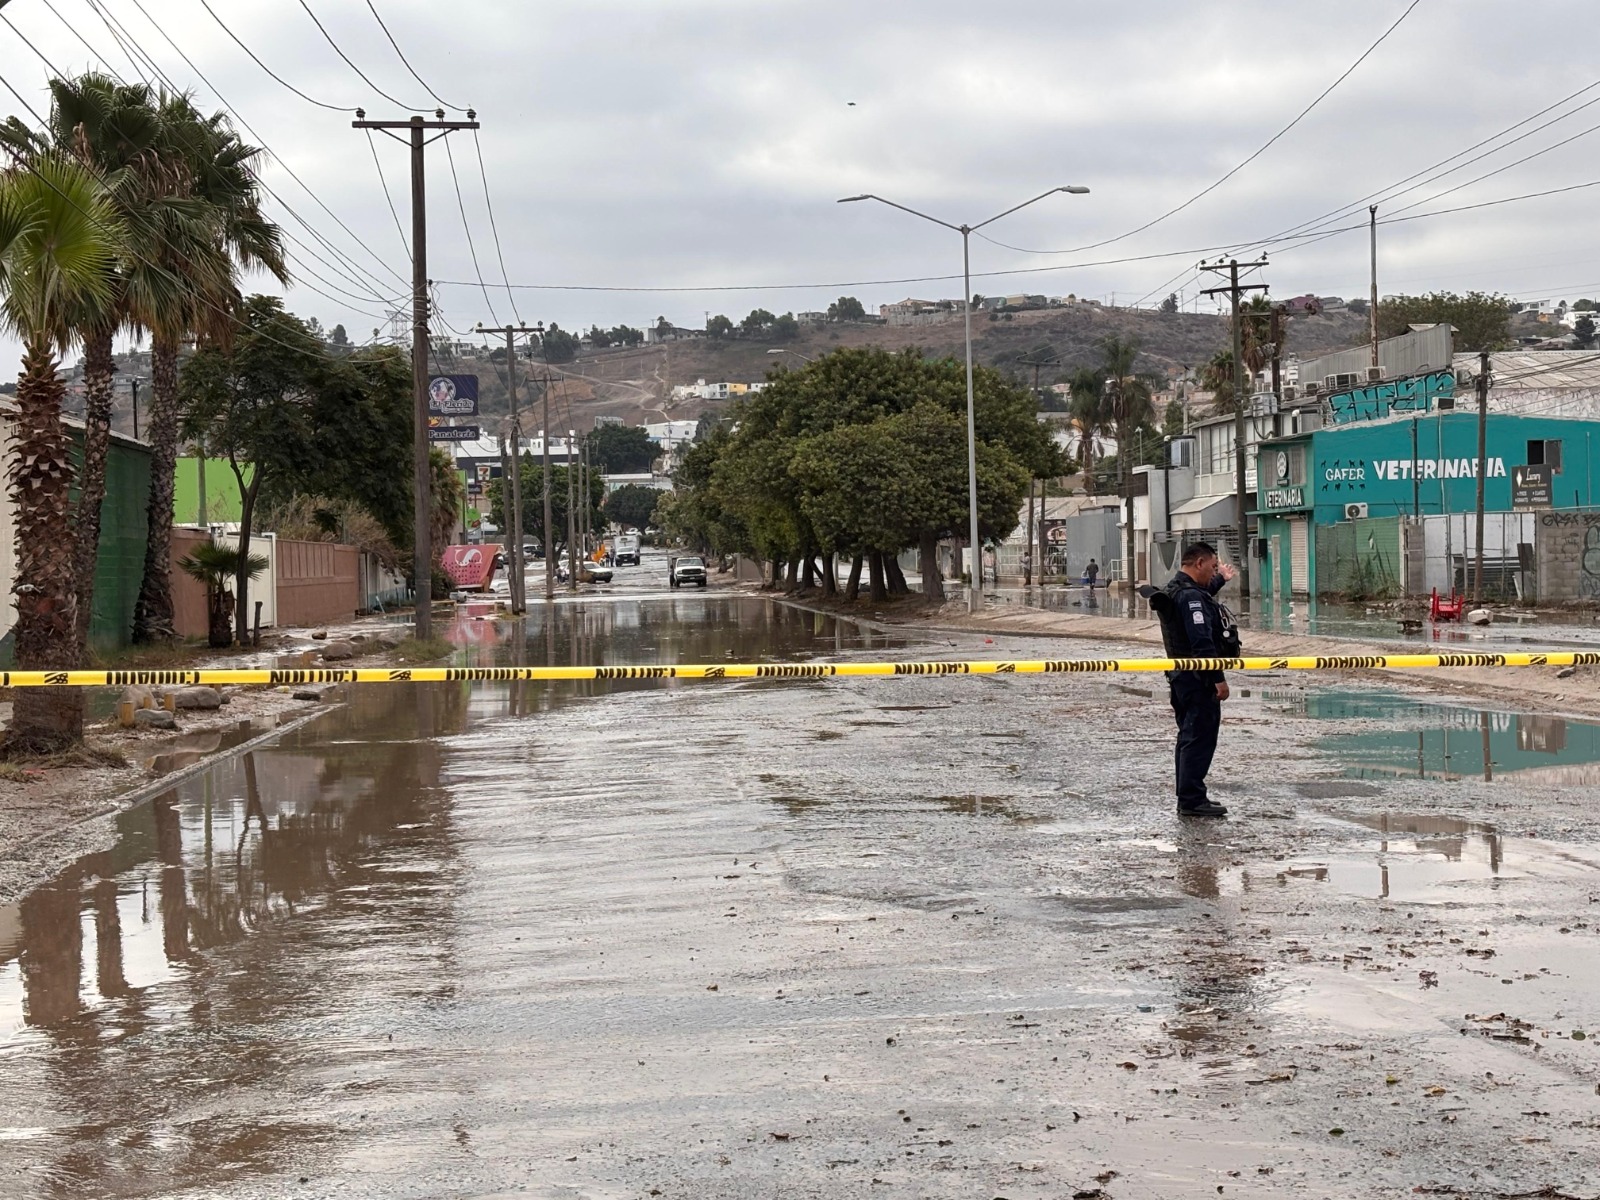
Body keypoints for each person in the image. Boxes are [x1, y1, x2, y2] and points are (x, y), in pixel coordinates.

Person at [1149, 542, 1238, 818]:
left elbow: (1199, 598)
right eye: (1212, 567)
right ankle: (1191, 799)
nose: (1213, 573)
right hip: (1197, 679)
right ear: (1198, 563)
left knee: (1188, 736)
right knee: (1199, 737)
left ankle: (1188, 795)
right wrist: (1218, 680)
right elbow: (1201, 642)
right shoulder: (1190, 597)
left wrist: (1221, 579)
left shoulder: (1179, 589)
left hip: (1181, 677)